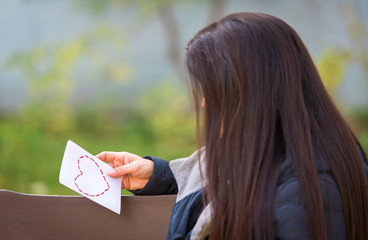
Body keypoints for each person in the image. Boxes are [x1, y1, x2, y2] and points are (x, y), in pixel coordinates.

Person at [97, 12, 368, 240]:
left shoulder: (309, 190)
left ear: (249, 92)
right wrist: (159, 175)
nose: (204, 104)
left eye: (212, 90)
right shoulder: (288, 155)